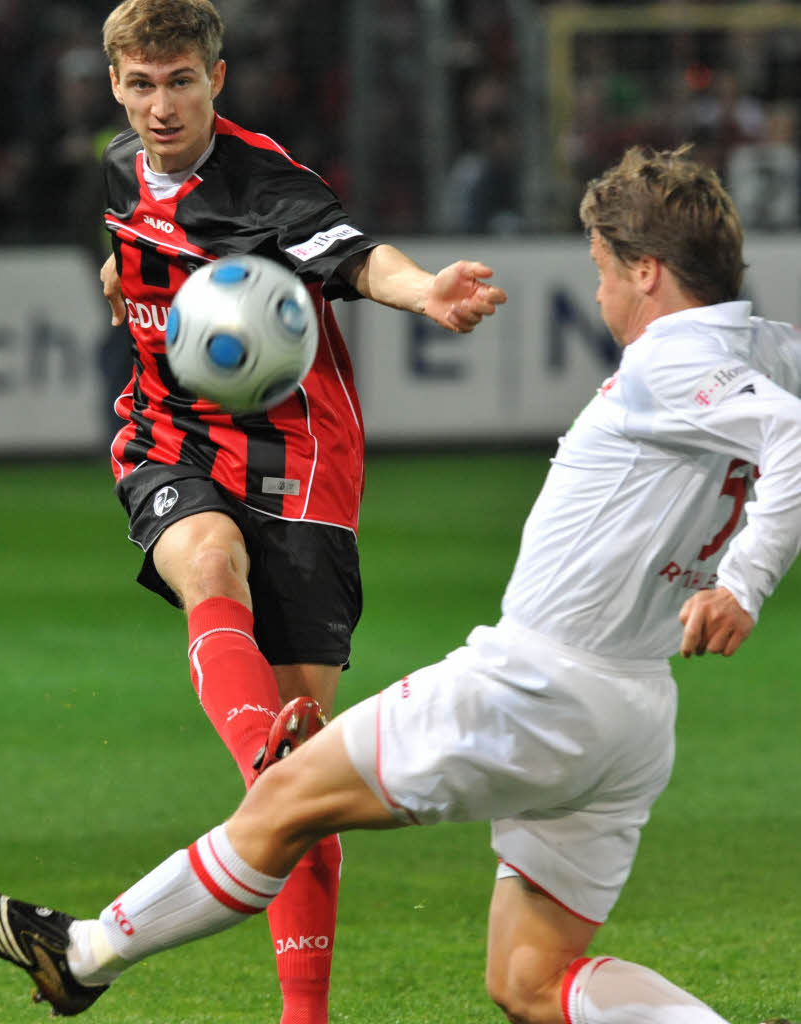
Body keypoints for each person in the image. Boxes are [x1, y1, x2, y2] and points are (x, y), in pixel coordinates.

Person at [0, 145, 801, 1024]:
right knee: (528, 981)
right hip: (629, 719)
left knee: (281, 800)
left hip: (533, 687)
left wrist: (742, 580)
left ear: (647, 269)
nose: (597, 296)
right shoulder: (762, 348)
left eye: (602, 272)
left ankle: (86, 953)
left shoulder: (676, 361)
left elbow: (790, 436)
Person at [67, 2, 506, 1023]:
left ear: (216, 78)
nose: (161, 104)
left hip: (299, 462)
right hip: (169, 436)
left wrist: (426, 291)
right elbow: (129, 247)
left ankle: (302, 1013)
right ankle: (271, 742)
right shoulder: (121, 169)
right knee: (205, 556)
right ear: (116, 88)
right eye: (141, 84)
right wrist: (120, 276)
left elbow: (356, 257)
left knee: (298, 802)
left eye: (181, 80)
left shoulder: (262, 181)